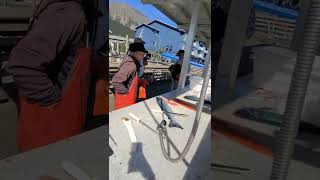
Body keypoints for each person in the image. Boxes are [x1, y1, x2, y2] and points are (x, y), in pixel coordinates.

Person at [112, 42, 147, 110]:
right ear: (137, 52)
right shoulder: (131, 65)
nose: (143, 56)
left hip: (128, 102)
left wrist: (140, 81)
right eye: (143, 54)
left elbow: (130, 78)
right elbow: (116, 81)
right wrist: (125, 93)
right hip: (124, 103)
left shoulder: (132, 62)